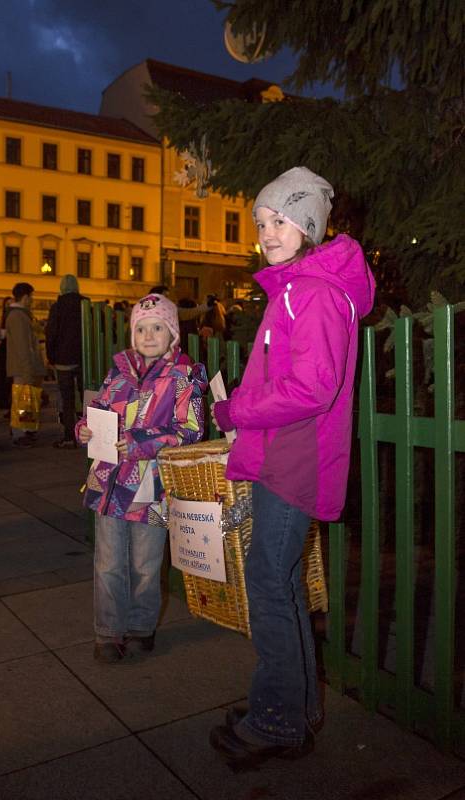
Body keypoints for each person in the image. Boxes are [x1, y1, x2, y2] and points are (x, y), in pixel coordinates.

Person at [209, 167, 375, 769]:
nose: (266, 231)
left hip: (294, 461)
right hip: (284, 454)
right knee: (278, 585)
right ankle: (292, 710)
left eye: (279, 220)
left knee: (270, 588)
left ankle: (278, 720)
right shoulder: (295, 288)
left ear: (307, 226)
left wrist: (234, 409)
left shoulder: (316, 293)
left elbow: (310, 388)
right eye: (260, 221)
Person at [75, 293, 208, 664]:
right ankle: (107, 632)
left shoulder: (183, 378)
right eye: (142, 329)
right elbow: (98, 408)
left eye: (158, 328)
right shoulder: (117, 372)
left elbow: (191, 430)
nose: (149, 336)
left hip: (151, 487)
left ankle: (140, 627)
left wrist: (139, 443)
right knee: (107, 562)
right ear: (133, 335)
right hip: (109, 484)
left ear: (173, 334)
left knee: (146, 565)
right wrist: (84, 427)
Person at [46, 275, 86, 448]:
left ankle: (69, 436)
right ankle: (90, 433)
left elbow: (51, 334)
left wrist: (51, 357)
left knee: (67, 400)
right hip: (84, 358)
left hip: (63, 360)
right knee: (87, 397)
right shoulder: (86, 305)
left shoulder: (57, 307)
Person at [6, 282, 46, 447]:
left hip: (27, 366)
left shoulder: (23, 315)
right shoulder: (17, 317)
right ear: (25, 297)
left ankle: (27, 430)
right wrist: (28, 370)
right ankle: (20, 433)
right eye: (31, 296)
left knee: (27, 400)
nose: (32, 300)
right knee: (21, 400)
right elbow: (23, 347)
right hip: (23, 367)